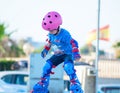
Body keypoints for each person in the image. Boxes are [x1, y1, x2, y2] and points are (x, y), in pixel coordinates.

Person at [32, 11, 83, 93]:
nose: (50, 32)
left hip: (68, 53)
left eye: (52, 30)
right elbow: (49, 43)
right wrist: (45, 50)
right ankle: (43, 86)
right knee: (46, 67)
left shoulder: (65, 34)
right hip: (59, 54)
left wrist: (76, 53)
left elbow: (74, 42)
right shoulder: (50, 34)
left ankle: (76, 86)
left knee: (68, 68)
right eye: (49, 31)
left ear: (58, 26)